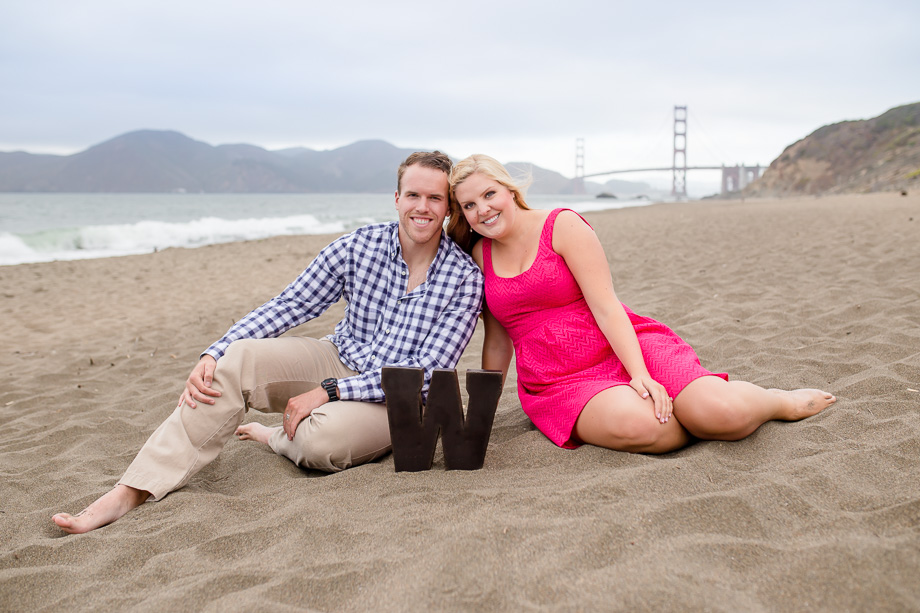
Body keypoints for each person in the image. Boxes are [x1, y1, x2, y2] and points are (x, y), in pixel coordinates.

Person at [52, 151, 484, 534]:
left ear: (447, 208)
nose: (422, 207)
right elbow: (291, 304)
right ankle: (133, 489)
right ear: (396, 198)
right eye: (413, 195)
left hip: (398, 397)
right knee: (237, 360)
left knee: (320, 444)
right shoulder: (358, 246)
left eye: (434, 198)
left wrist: (329, 392)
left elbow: (426, 373)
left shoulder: (464, 278)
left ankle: (276, 437)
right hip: (339, 355)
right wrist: (215, 350)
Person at [447, 154, 835, 454]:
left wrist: (640, 375)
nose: (482, 210)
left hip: (623, 346)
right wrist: (482, 413)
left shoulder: (562, 225)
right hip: (558, 381)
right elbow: (498, 340)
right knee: (654, 428)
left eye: (488, 194)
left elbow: (606, 307)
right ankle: (696, 419)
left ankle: (773, 401)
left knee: (724, 415)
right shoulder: (480, 255)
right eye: (468, 205)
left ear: (510, 190)